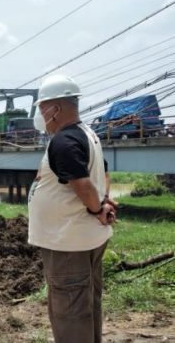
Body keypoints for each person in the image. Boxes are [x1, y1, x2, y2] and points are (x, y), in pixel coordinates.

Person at [27, 74, 118, 343]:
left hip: (68, 242)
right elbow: (101, 173)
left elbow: (82, 183)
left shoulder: (63, 140)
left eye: (43, 108)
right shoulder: (88, 134)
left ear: (55, 108)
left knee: (70, 311)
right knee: (87, 302)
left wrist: (96, 207)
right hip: (84, 238)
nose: (41, 114)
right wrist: (104, 202)